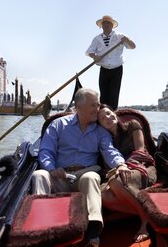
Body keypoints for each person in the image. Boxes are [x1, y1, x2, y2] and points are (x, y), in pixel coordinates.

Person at [31, 88, 126, 247]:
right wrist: (52, 168)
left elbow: (109, 151)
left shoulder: (101, 131)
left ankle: (93, 232)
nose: (98, 109)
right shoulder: (58, 125)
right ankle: (40, 228)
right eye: (94, 105)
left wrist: (120, 164)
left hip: (83, 177)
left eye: (97, 104)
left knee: (91, 177)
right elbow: (45, 151)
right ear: (79, 107)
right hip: (59, 177)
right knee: (39, 175)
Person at [97, 104, 157, 243]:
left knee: (116, 181)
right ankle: (150, 214)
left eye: (108, 113)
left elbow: (140, 151)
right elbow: (108, 165)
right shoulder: (105, 140)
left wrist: (124, 167)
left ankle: (145, 222)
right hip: (121, 172)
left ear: (114, 113)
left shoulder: (132, 125)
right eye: (102, 118)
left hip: (143, 167)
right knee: (102, 194)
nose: (107, 117)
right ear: (100, 125)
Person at [86, 15, 136, 110]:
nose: (106, 24)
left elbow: (133, 46)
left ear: (112, 25)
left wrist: (127, 40)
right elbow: (90, 51)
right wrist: (94, 56)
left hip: (117, 69)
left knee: (114, 94)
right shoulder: (97, 39)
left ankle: (112, 114)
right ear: (101, 26)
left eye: (108, 23)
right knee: (103, 95)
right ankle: (103, 114)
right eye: (104, 23)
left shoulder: (120, 36)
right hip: (104, 69)